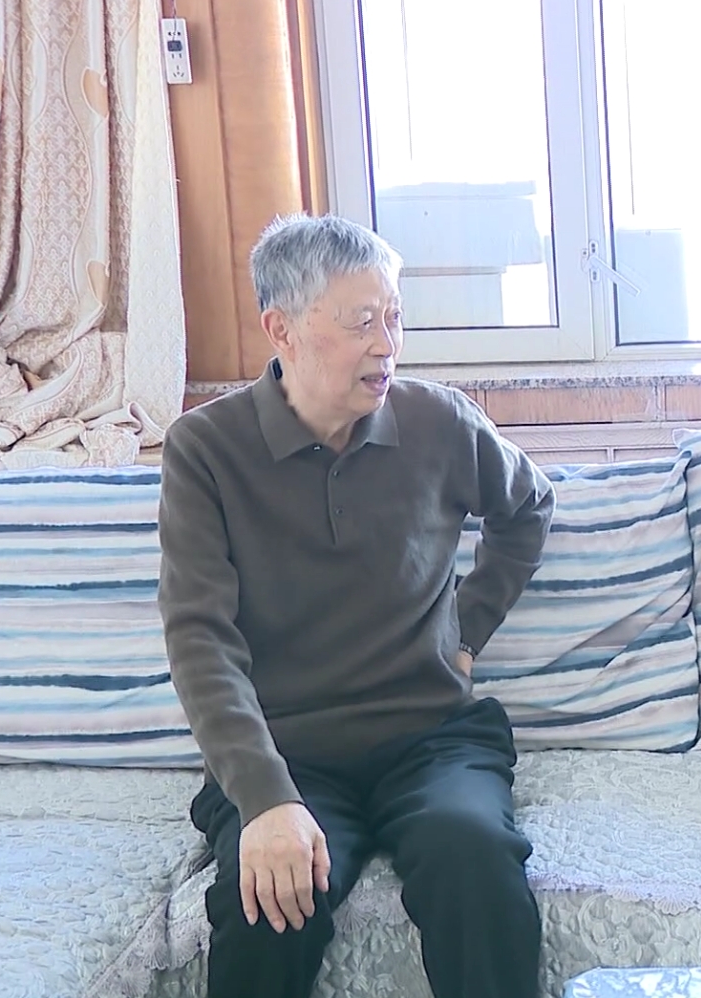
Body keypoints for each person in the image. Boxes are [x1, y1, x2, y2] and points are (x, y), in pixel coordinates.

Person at [159, 214, 556, 998]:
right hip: (289, 751)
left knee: (475, 859)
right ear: (282, 329)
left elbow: (528, 507)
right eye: (361, 321)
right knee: (269, 905)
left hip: (433, 738)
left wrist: (467, 629)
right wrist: (265, 799)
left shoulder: (439, 421)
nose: (387, 344)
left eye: (394, 317)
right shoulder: (205, 450)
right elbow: (200, 639)